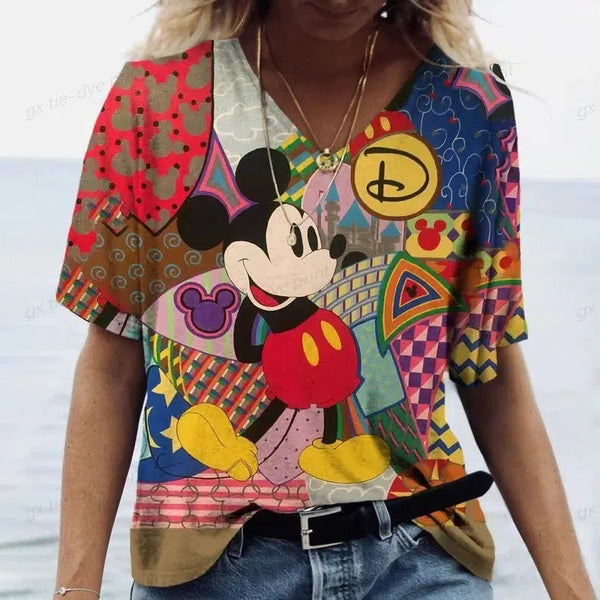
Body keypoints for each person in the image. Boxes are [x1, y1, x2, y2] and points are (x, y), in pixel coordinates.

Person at [52, 1, 597, 599]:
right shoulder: (156, 101)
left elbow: (487, 361)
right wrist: (73, 590)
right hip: (212, 575)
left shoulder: (468, 105)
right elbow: (112, 364)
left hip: (420, 558)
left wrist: (573, 590)